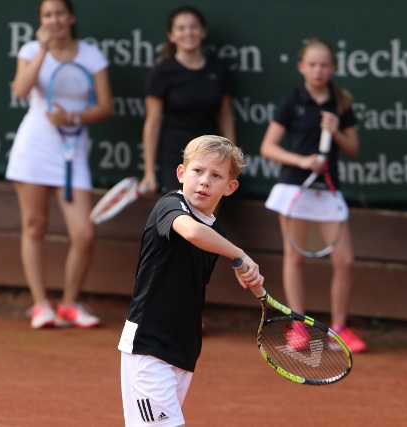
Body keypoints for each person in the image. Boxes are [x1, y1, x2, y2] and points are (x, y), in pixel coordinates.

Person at [118, 135, 264, 427]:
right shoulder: (170, 206)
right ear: (181, 173)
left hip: (182, 352)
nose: (205, 181)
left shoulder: (216, 231)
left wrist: (246, 270)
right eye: (197, 171)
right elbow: (192, 232)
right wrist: (237, 253)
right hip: (149, 346)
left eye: (216, 175)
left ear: (229, 187)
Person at [6, 0, 113, 329]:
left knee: (84, 233)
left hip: (72, 153)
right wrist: (42, 50)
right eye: (47, 15)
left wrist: (72, 116)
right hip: (33, 148)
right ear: (41, 21)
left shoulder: (91, 55)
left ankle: (69, 304)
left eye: (59, 14)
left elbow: (106, 106)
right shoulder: (29, 50)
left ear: (71, 18)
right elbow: (21, 89)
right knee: (34, 226)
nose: (54, 20)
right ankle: (41, 306)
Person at [260, 37, 367, 353]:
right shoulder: (290, 102)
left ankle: (339, 329)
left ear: (332, 68)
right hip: (295, 188)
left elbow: (353, 149)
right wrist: (303, 161)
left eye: (324, 65)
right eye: (312, 64)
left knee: (345, 261)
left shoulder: (341, 104)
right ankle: (298, 326)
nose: (318, 70)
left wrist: (334, 130)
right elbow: (268, 147)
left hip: (328, 191)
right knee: (295, 257)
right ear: (301, 67)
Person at [139, 5, 235, 195]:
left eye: (193, 27)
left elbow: (225, 116)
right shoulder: (162, 72)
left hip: (212, 153)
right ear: (172, 36)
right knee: (181, 217)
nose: (188, 33)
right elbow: (152, 123)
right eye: (181, 28)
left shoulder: (218, 69)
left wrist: (231, 162)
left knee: (206, 219)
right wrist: (149, 172)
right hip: (175, 153)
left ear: (203, 32)